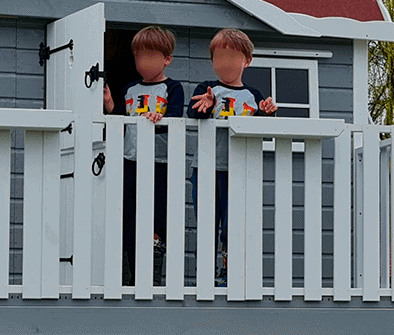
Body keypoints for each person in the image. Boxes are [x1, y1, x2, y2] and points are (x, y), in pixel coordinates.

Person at [188, 28, 276, 286]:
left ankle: (228, 277)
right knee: (206, 225)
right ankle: (205, 277)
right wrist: (207, 105)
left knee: (232, 226)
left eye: (232, 57)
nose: (226, 63)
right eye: (220, 57)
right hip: (205, 168)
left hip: (240, 170)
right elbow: (195, 115)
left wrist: (267, 114)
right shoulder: (207, 89)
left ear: (246, 61)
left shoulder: (253, 95)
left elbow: (263, 131)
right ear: (212, 61)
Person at [103, 26, 184, 287]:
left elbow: (173, 117)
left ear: (166, 59)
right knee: (128, 215)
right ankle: (130, 278)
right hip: (131, 159)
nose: (144, 62)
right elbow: (123, 123)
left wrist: (159, 118)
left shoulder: (173, 87)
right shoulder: (129, 89)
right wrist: (110, 107)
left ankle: (151, 278)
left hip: (159, 163)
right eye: (139, 56)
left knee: (156, 217)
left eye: (150, 56)